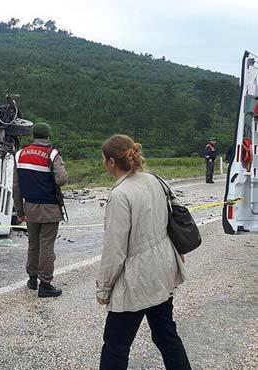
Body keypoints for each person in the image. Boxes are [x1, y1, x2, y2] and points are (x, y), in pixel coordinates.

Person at [97, 134, 191, 370]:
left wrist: (104, 288)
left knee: (116, 345)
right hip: (162, 271)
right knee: (166, 336)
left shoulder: (120, 195)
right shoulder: (154, 180)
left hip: (137, 279)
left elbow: (115, 250)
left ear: (110, 161)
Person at [13, 122, 67, 298]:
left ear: (33, 135)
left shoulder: (19, 154)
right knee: (47, 246)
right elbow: (61, 180)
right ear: (48, 136)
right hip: (50, 208)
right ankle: (45, 284)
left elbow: (16, 187)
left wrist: (19, 210)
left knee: (33, 244)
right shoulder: (52, 154)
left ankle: (32, 279)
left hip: (30, 207)